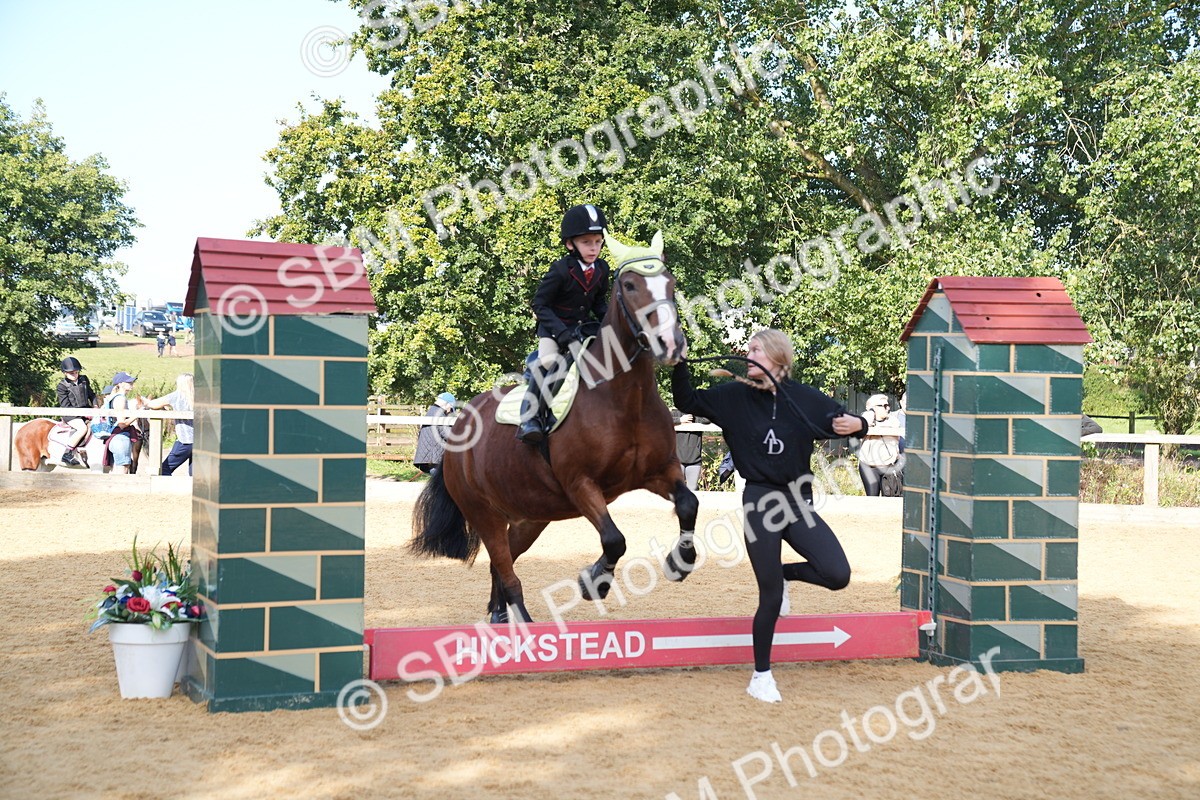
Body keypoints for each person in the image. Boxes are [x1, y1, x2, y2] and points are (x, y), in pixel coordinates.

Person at [672, 329, 867, 703]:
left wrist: (862, 424)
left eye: (755, 348)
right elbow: (687, 398)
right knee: (770, 596)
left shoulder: (805, 398)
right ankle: (761, 675)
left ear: (778, 358)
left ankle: (785, 573)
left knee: (837, 575)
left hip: (798, 500)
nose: (748, 354)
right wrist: (680, 362)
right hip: (760, 500)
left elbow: (845, 420)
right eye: (748, 349)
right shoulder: (733, 397)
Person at [516, 203, 611, 444]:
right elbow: (540, 305)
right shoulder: (559, 270)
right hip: (554, 329)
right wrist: (562, 334)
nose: (594, 248)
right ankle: (531, 418)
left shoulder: (602, 269)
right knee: (549, 362)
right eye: (587, 242)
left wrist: (612, 323)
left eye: (598, 241)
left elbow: (598, 304)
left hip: (583, 329)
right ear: (571, 244)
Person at [142, 373, 194, 476]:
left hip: (185, 440)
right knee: (195, 473)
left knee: (165, 469)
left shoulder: (177, 396)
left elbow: (154, 404)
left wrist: (146, 402)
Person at [857, 394, 904, 496]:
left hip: (888, 466)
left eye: (888, 405)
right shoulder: (867, 420)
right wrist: (871, 413)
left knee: (890, 498)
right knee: (872, 497)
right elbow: (863, 424)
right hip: (869, 466)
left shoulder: (893, 421)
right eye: (883, 406)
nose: (887, 408)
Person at [55, 356, 97, 466]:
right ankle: (67, 453)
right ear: (65, 373)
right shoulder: (62, 386)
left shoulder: (84, 379)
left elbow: (92, 395)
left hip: (86, 411)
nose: (74, 375)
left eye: (76, 372)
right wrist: (83, 414)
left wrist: (96, 406)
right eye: (71, 373)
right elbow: (65, 406)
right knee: (82, 428)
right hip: (70, 414)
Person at [102, 371, 141, 475]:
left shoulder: (116, 397)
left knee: (119, 469)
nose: (131, 384)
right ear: (120, 384)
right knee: (123, 470)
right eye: (128, 382)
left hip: (117, 437)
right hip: (120, 437)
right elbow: (122, 424)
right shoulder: (120, 399)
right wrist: (137, 414)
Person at [414, 392, 457, 476]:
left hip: (430, 455)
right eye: (450, 408)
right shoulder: (439, 414)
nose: (450, 410)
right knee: (440, 481)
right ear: (447, 404)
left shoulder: (433, 411)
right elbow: (447, 434)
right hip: (433, 456)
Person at [671, 408, 709, 491]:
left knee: (692, 489)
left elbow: (708, 419)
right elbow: (664, 420)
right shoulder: (675, 413)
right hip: (677, 460)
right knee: (677, 490)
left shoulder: (698, 415)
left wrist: (696, 415)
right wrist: (680, 420)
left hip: (694, 460)